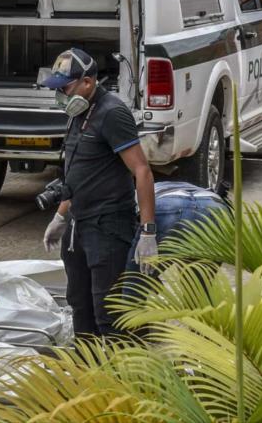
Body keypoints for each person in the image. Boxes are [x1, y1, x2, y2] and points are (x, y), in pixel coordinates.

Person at [40, 48, 156, 337]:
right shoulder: (78, 113)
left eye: (64, 88)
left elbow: (142, 170)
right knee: (80, 306)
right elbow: (78, 173)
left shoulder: (112, 114)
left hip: (107, 228)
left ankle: (117, 377)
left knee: (109, 314)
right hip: (79, 226)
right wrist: (60, 217)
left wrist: (148, 231)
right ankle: (86, 373)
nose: (60, 96)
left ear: (87, 83)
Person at [127, 181, 230, 276]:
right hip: (213, 206)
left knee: (134, 290)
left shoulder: (137, 193)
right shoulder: (195, 187)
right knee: (196, 291)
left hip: (168, 204)